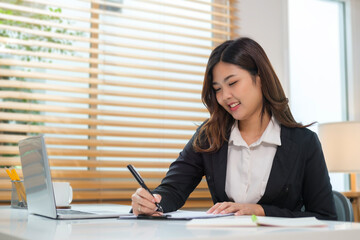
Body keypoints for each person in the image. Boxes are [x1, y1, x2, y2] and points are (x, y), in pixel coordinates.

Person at [130, 37, 337, 220]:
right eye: (217, 89)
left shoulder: (303, 143)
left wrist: (260, 211)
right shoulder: (209, 136)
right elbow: (173, 189)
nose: (225, 96)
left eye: (233, 83)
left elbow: (325, 217)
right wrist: (152, 201)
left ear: (261, 78)